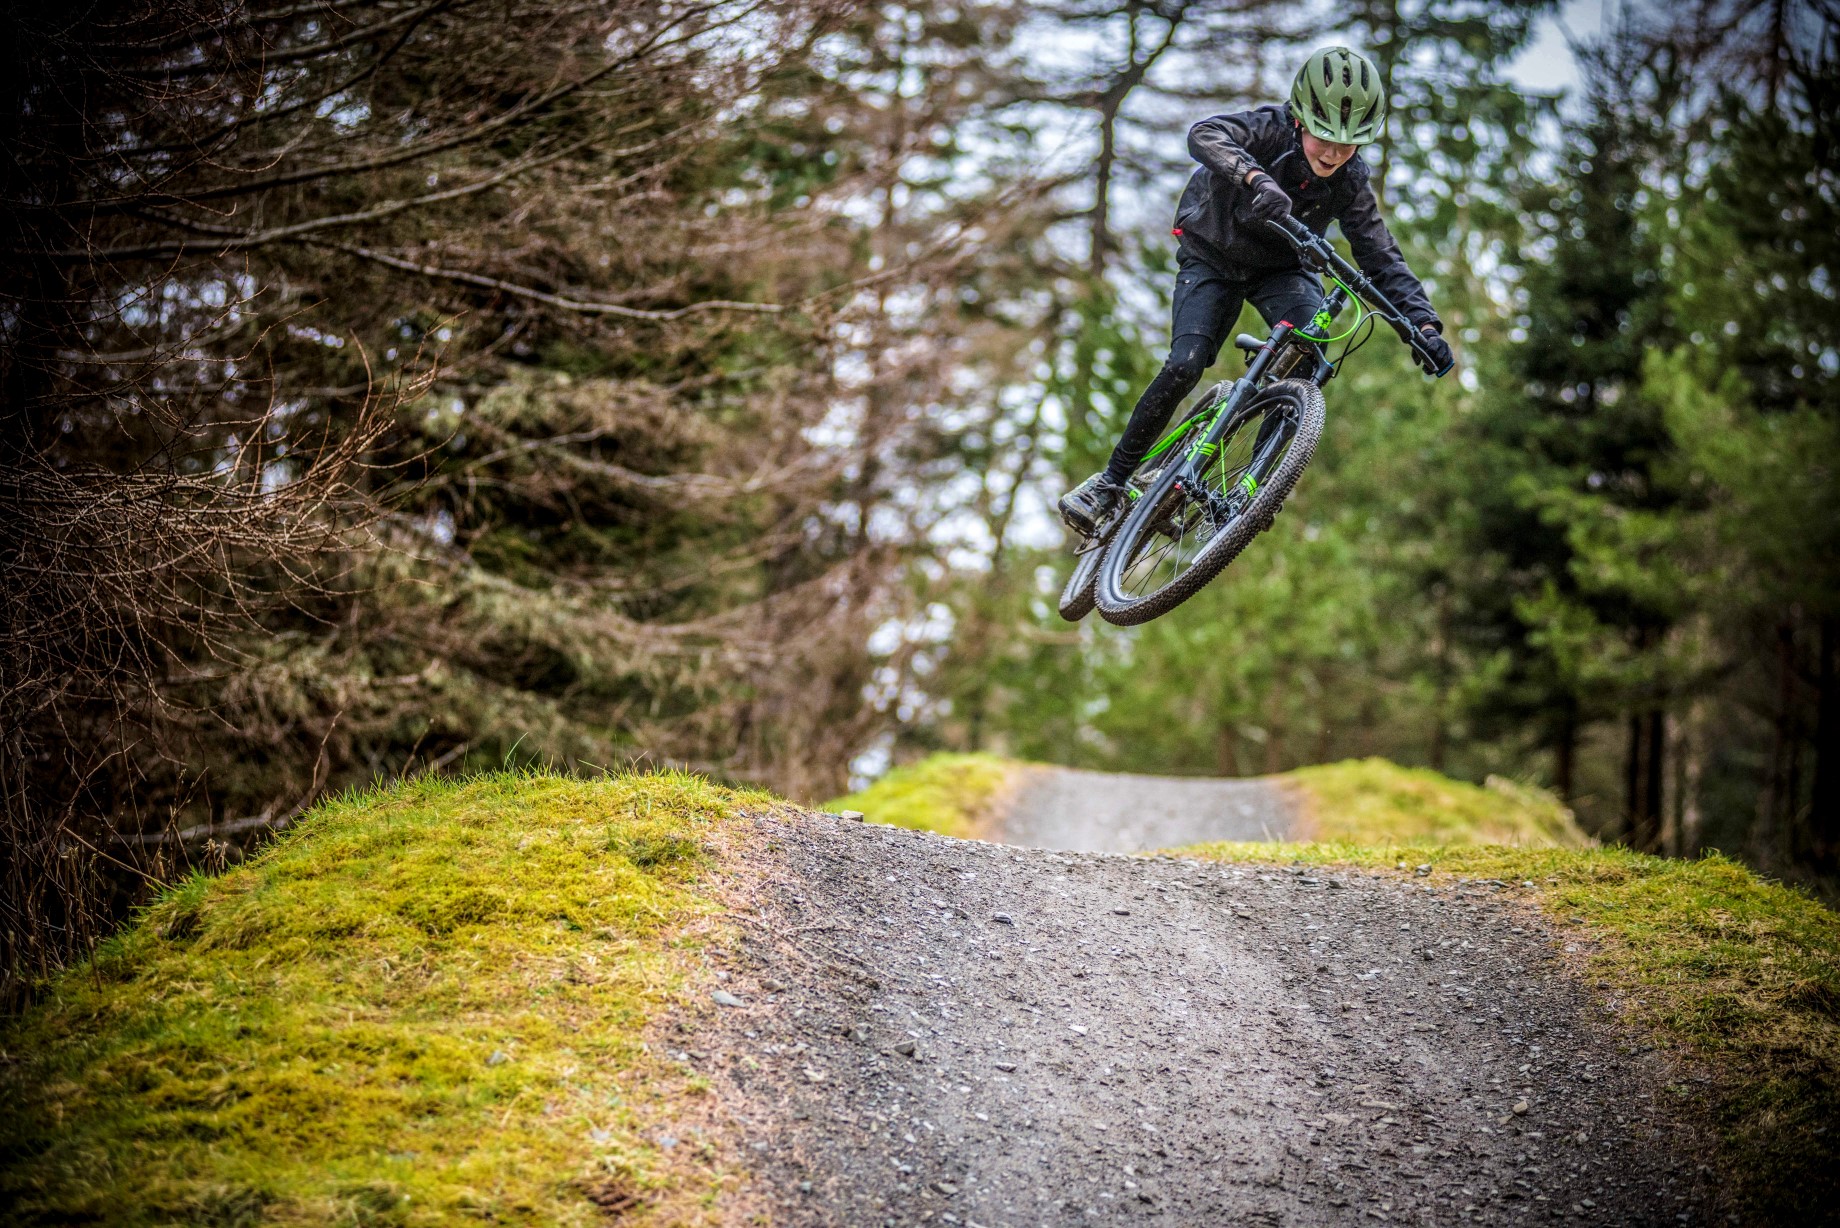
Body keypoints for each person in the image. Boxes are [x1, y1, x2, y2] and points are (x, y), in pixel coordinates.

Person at [1057, 46, 1455, 536]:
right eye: (1324, 137)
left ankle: (1250, 486)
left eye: (1348, 144)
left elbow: (1381, 255)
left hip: (1281, 269)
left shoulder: (1350, 181)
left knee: (1311, 351)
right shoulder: (1268, 129)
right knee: (1187, 363)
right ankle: (1110, 483)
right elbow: (1205, 133)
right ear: (1301, 118)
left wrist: (1424, 324)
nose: (1332, 153)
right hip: (1213, 255)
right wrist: (1254, 177)